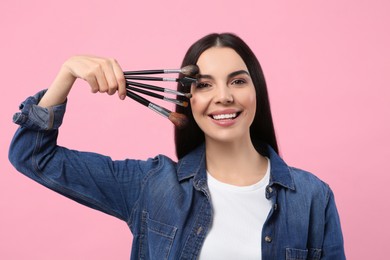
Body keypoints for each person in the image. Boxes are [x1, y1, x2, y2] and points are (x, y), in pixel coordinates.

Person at [9, 33, 346, 259]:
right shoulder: (151, 186)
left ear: (256, 90)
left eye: (238, 81)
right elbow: (31, 155)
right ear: (187, 99)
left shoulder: (313, 197)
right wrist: (67, 73)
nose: (224, 96)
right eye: (204, 84)